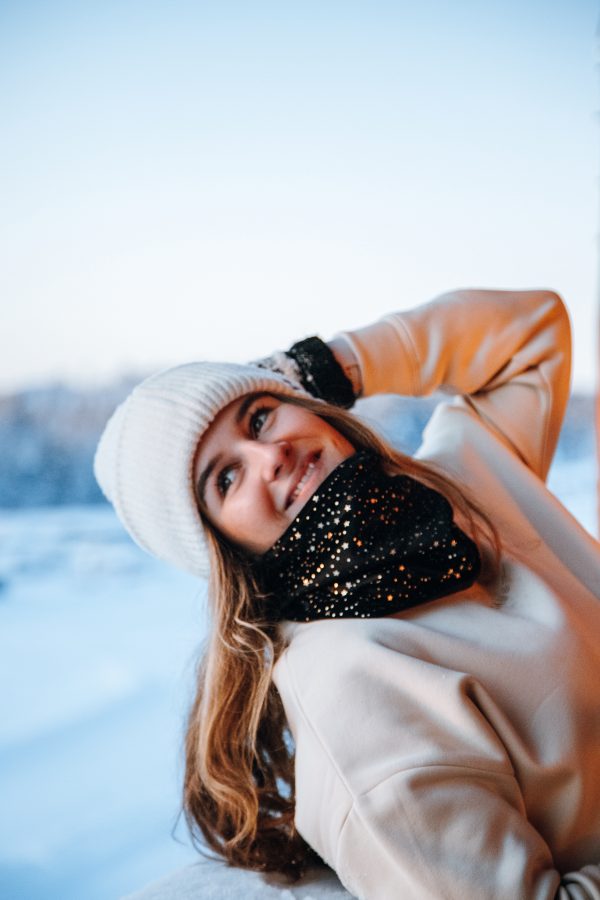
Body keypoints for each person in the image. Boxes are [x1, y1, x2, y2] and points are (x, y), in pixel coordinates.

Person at [94, 288, 600, 900]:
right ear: (223, 548)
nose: (270, 455)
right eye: (226, 478)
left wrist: (327, 366)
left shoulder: (464, 477)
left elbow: (532, 333)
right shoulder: (352, 690)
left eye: (260, 416)